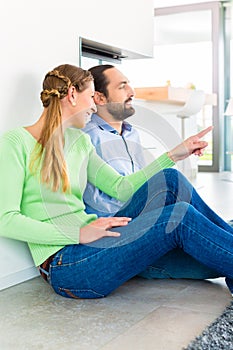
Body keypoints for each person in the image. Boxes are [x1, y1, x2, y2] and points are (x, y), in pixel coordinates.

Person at [0, 63, 232, 300]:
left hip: (100, 242)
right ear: (71, 95)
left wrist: (173, 155)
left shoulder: (79, 142)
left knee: (206, 245)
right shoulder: (16, 142)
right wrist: (78, 233)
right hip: (66, 264)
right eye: (90, 97)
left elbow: (121, 189)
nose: (93, 106)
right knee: (180, 217)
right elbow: (5, 220)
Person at [82, 64, 221, 280]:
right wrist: (173, 155)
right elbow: (122, 190)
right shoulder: (88, 137)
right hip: (116, 226)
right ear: (99, 98)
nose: (132, 92)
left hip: (143, 217)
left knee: (214, 257)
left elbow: (141, 183)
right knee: (212, 257)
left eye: (130, 84)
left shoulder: (131, 133)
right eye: (122, 86)